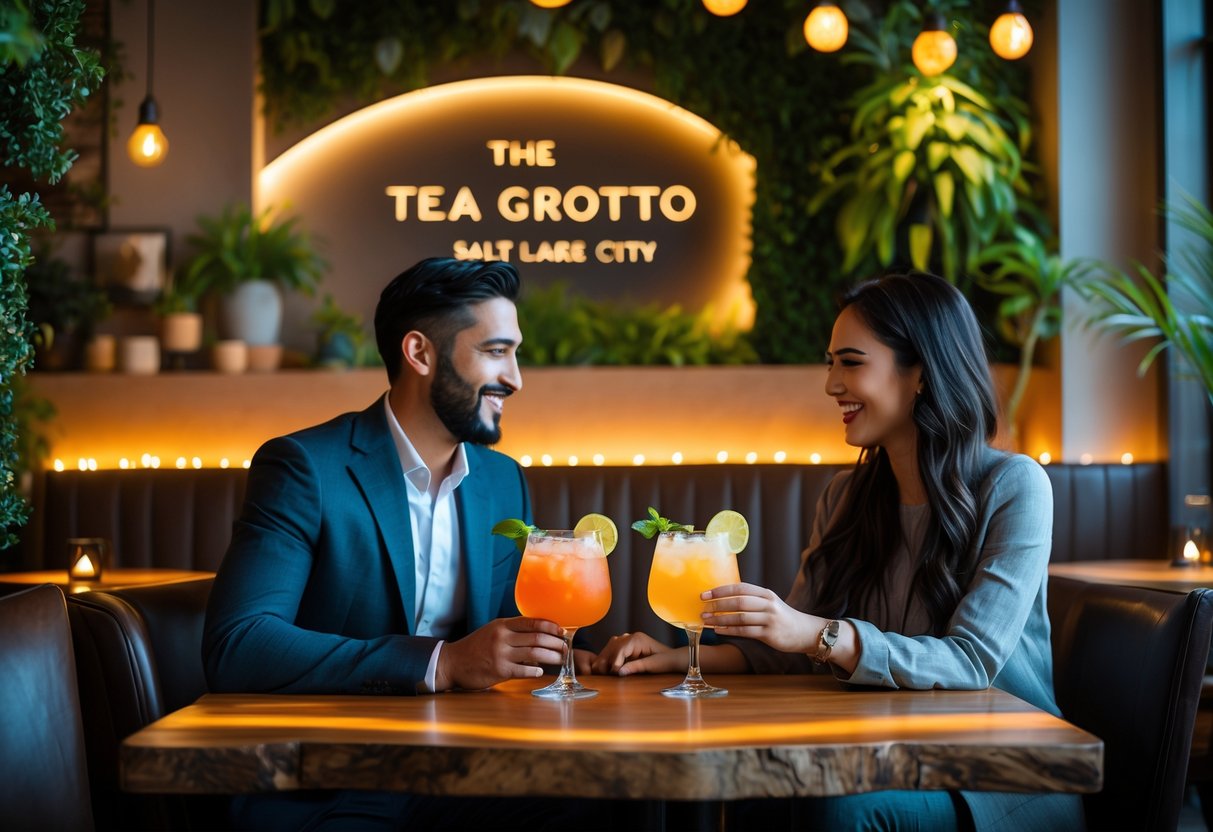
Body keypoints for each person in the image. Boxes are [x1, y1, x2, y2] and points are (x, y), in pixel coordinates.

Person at [591, 272, 1084, 832]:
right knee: (750, 795)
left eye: (850, 363)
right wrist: (677, 657)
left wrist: (820, 633)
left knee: (832, 810)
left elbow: (971, 663)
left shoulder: (1015, 486)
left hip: (994, 777)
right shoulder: (845, 498)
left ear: (920, 372)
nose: (831, 384)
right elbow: (792, 651)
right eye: (831, 363)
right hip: (878, 755)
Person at [203, 257, 569, 829]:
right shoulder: (304, 467)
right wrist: (442, 663)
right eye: (496, 351)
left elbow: (512, 639)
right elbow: (240, 644)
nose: (516, 378)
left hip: (479, 768)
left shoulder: (504, 481)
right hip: (337, 775)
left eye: (515, 353)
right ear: (420, 353)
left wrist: (591, 654)